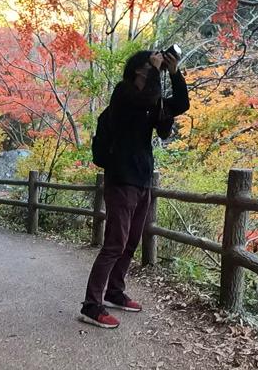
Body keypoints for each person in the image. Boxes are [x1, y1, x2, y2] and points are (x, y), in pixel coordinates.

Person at [80, 50, 189, 329]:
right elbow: (145, 98)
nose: (156, 66)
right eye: (151, 64)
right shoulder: (124, 93)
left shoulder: (152, 101)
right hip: (121, 179)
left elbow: (181, 104)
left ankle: (114, 292)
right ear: (139, 69)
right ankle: (92, 305)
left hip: (142, 180)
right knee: (115, 243)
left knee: (131, 242)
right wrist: (154, 71)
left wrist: (174, 73)